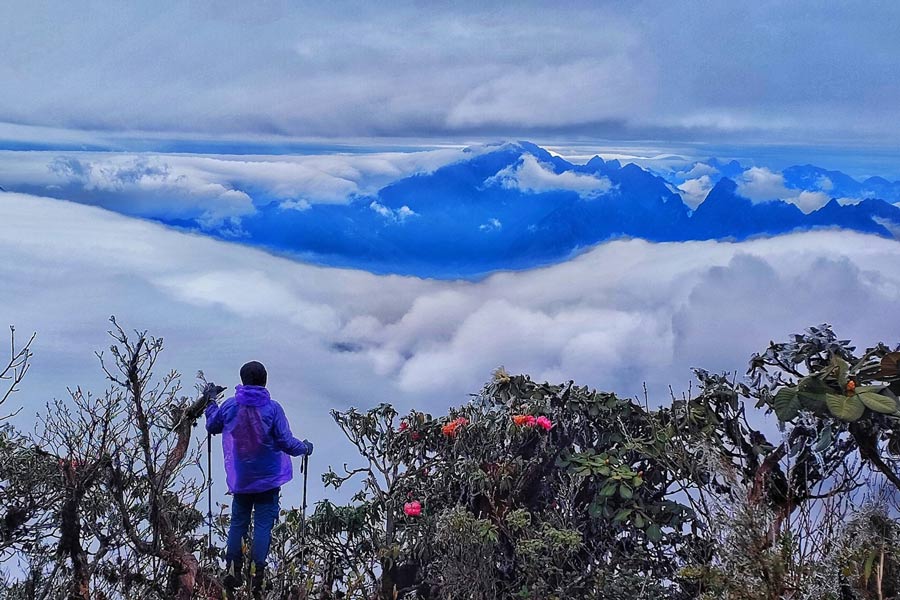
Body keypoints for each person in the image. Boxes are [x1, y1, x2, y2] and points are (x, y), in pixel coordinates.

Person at [205, 360, 313, 596]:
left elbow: (212, 426)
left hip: (242, 477)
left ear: (242, 380)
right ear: (265, 381)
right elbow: (286, 441)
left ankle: (233, 571)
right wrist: (304, 448)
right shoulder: (273, 409)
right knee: (263, 525)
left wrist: (210, 401)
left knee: (238, 522)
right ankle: (257, 575)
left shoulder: (230, 406)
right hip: (268, 478)